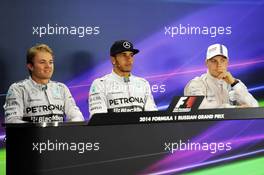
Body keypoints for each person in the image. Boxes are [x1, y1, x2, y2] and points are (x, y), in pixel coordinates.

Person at [3, 44, 84, 123]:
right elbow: (12, 120)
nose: (48, 66)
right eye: (42, 62)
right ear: (30, 66)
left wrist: (69, 128)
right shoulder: (18, 89)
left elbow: (77, 116)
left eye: (50, 62)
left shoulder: (61, 88)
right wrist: (38, 129)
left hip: (59, 136)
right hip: (30, 136)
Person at [89, 40, 157, 116]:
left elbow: (152, 116)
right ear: (113, 59)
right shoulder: (100, 84)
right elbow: (98, 119)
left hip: (140, 128)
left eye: (131, 55)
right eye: (123, 55)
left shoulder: (143, 83)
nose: (129, 59)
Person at [184, 43, 258, 109]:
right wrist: (235, 109)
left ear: (227, 62)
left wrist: (234, 83)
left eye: (222, 60)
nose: (219, 64)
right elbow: (199, 108)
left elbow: (255, 107)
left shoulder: (235, 83)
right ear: (206, 63)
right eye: (214, 61)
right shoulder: (196, 84)